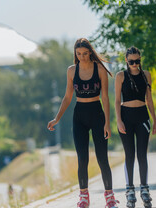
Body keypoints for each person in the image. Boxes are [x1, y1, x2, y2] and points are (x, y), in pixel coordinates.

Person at [47, 38, 119, 208]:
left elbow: (106, 98)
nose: (82, 57)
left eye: (85, 53)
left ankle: (109, 197)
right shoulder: (72, 71)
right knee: (82, 159)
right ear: (75, 54)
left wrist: (107, 123)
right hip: (79, 116)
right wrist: (57, 118)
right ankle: (84, 197)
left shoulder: (100, 68)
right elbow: (67, 97)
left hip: (97, 114)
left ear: (90, 52)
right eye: (79, 54)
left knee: (102, 158)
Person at [114, 46, 156, 208]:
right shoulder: (120, 76)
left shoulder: (146, 75)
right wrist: (118, 120)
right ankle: (129, 189)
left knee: (142, 154)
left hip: (142, 117)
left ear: (140, 60)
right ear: (126, 60)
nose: (134, 64)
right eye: (131, 61)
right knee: (129, 154)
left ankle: (144, 189)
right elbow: (117, 101)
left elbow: (149, 99)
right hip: (126, 117)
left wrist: (155, 119)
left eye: (137, 61)